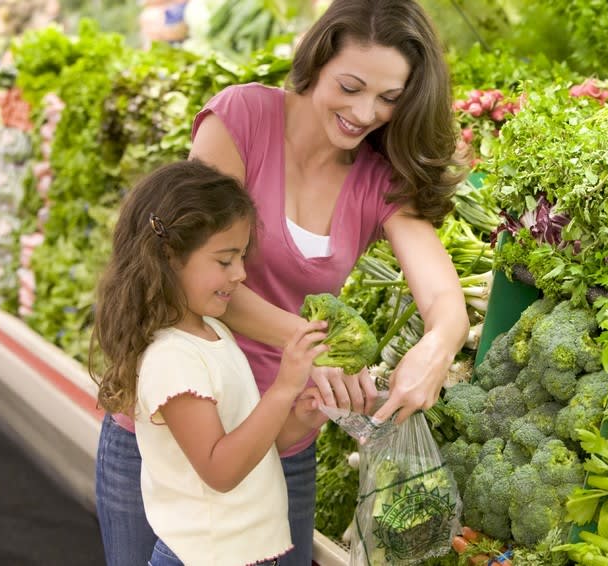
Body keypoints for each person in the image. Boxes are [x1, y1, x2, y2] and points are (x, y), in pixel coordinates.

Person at [95, 1, 470, 564]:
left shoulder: (378, 179)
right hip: (166, 428)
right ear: (318, 59)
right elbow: (194, 274)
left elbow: (445, 300)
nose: (365, 112)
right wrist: (309, 345)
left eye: (390, 99)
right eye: (351, 85)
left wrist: (435, 352)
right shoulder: (241, 117)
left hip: (279, 433)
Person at [90, 160, 330, 565]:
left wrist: (300, 419)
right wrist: (284, 387)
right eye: (225, 260)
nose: (240, 274)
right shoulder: (171, 359)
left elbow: (251, 446)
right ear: (168, 256)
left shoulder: (212, 333)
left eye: (241, 258)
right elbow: (220, 470)